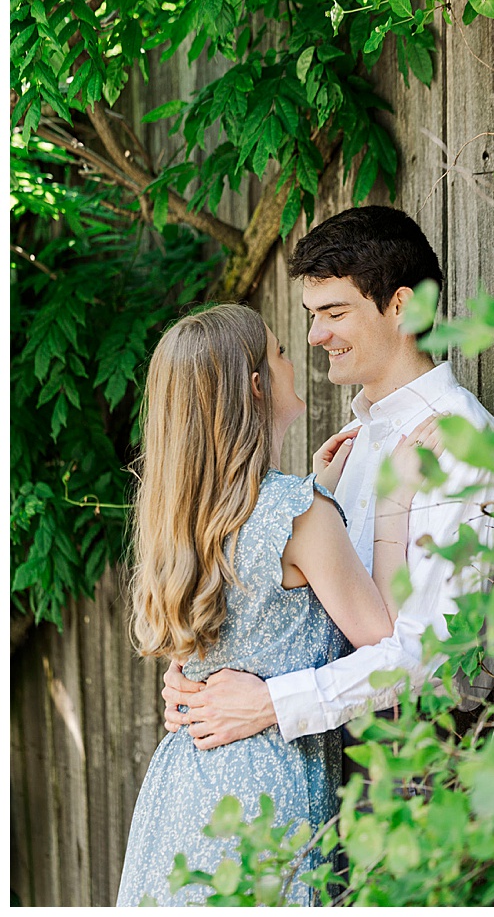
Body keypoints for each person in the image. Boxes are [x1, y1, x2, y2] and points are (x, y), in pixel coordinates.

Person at [116, 304, 433, 905]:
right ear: (258, 385)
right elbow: (384, 636)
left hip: (182, 792)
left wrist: (320, 496)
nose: (299, 356)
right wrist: (394, 499)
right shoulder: (300, 513)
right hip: (265, 796)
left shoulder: (182, 515)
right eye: (282, 350)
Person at [160, 205, 494, 751]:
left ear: (401, 307)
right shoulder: (355, 442)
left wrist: (271, 703)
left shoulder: (460, 443)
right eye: (311, 314)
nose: (315, 335)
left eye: (334, 312)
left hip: (419, 763)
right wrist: (201, 675)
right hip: (328, 757)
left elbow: (438, 658)